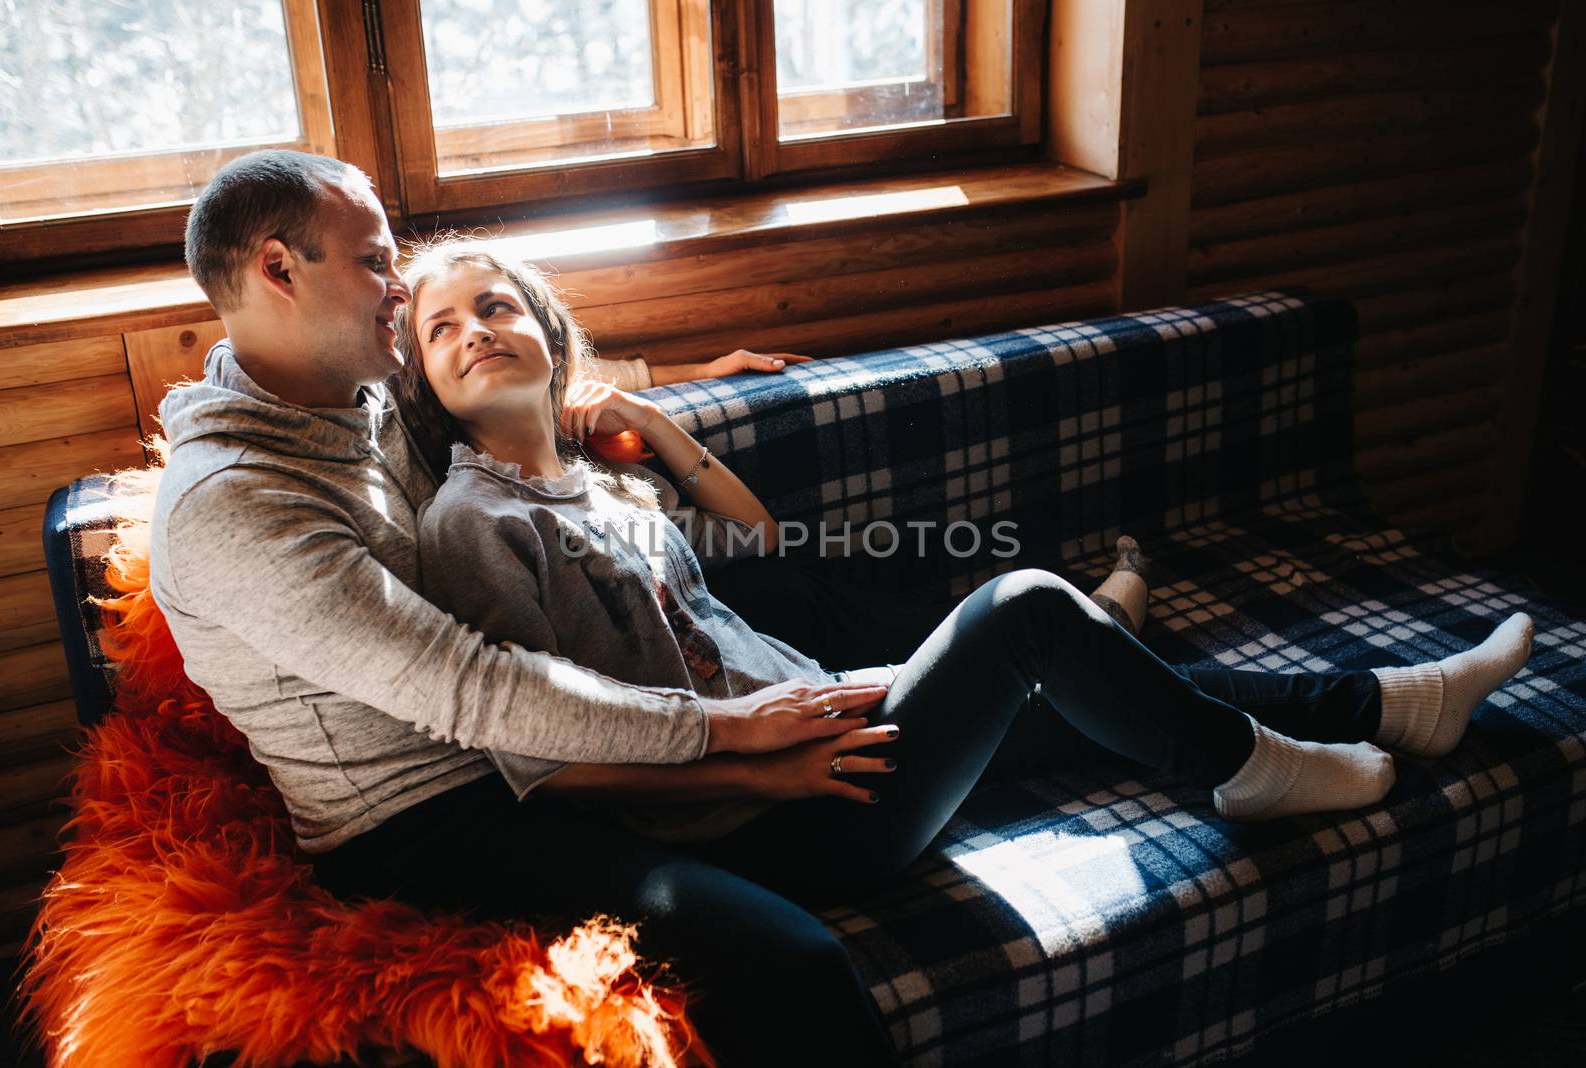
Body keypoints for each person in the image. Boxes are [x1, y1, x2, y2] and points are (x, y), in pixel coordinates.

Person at [350, 237, 1537, 1063]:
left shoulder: (599, 491)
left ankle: (1388, 703)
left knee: (1086, 686)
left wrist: (657, 424)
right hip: (784, 814)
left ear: (548, 334)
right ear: (425, 384)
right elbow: (538, 754)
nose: (474, 333)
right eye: (440, 327)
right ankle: (1253, 766)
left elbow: (760, 547)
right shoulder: (472, 525)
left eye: (496, 306)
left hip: (829, 725)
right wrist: (764, 768)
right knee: (1023, 607)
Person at [147, 149, 915, 1064]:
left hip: (524, 759)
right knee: (794, 963)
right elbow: (470, 688)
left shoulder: (346, 394)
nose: (396, 288)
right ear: (280, 268)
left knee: (751, 579)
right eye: (374, 261)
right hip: (427, 824)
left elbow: (514, 363)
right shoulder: (235, 502)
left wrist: (677, 378)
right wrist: (727, 731)